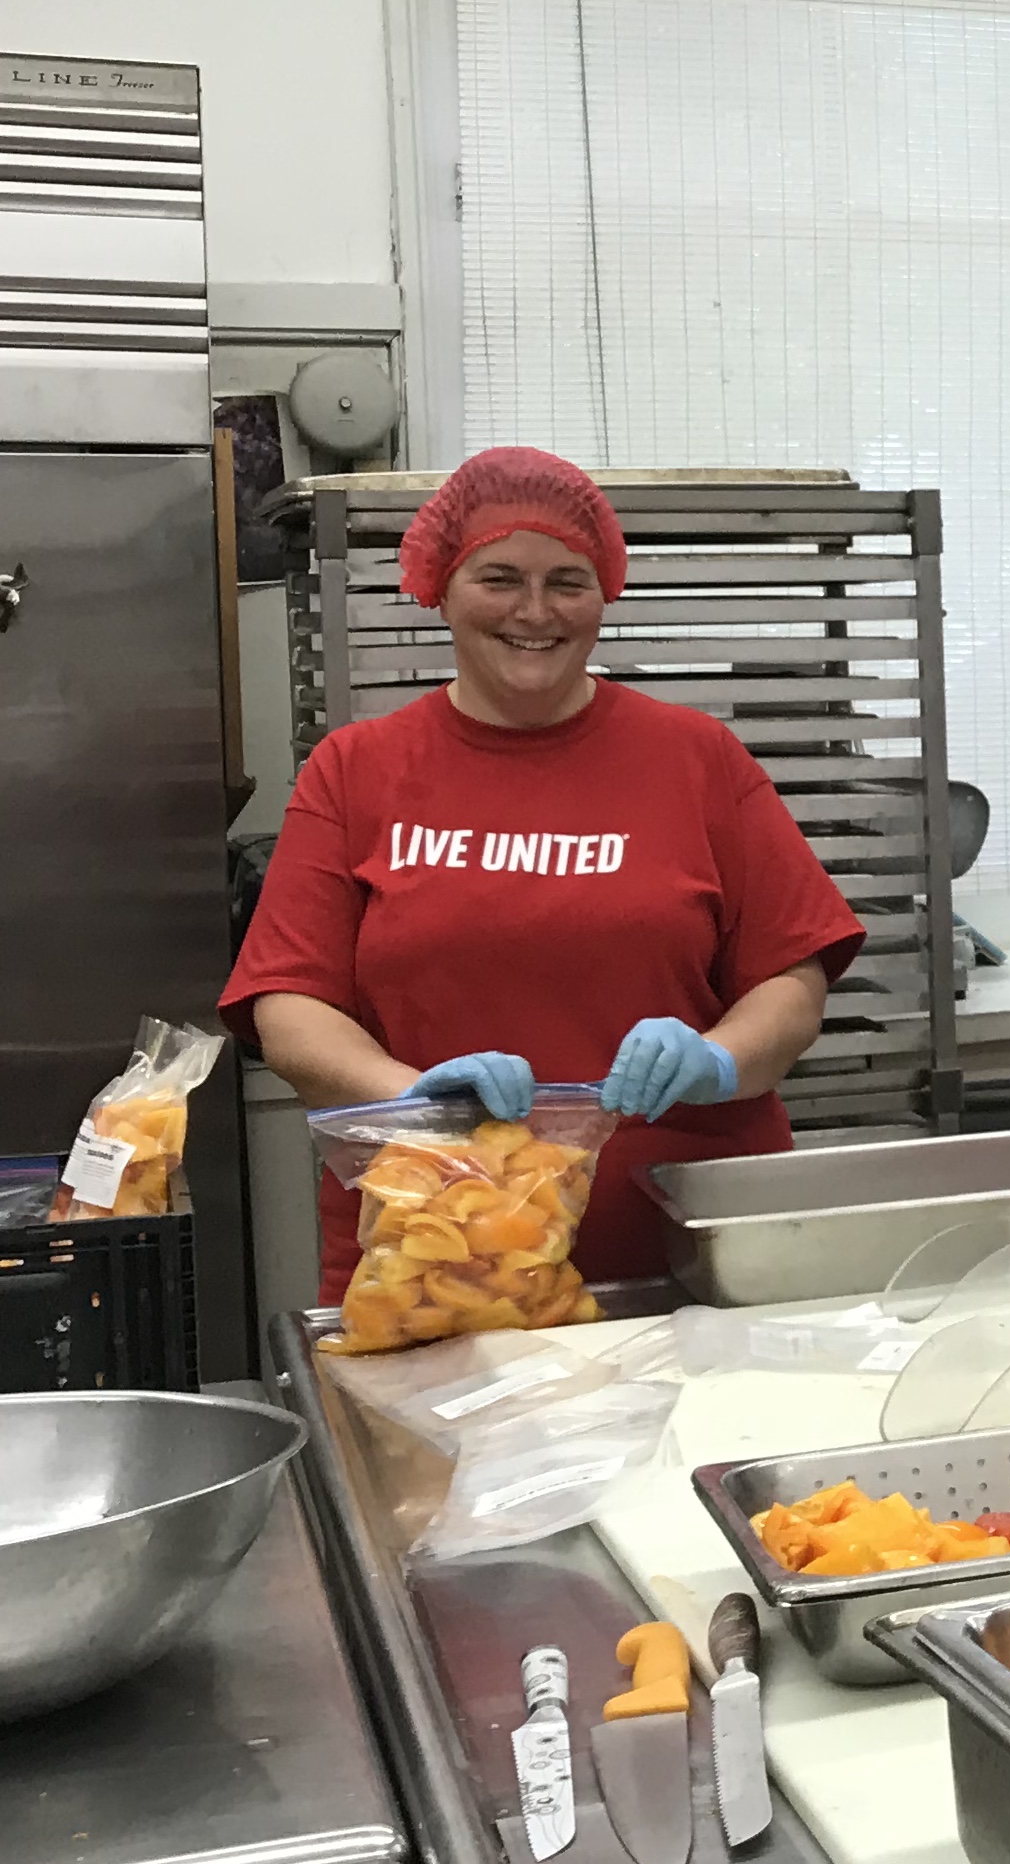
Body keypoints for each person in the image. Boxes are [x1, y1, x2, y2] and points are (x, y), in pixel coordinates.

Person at [225, 446, 865, 1295]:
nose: (535, 611)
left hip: (690, 1258)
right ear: (439, 588)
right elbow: (291, 1010)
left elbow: (792, 980)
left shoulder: (696, 758)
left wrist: (715, 1057)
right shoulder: (356, 771)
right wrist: (417, 1097)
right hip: (439, 1262)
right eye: (499, 578)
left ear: (604, 594)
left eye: (567, 581)